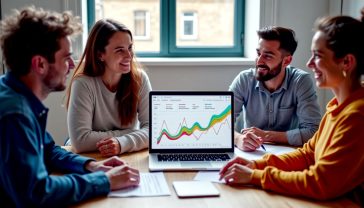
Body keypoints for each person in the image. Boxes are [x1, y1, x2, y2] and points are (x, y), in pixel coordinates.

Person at [220, 10, 364, 205]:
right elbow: (307, 155)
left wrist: (255, 175)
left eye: (318, 56)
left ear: (346, 62)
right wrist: (255, 164)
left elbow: (320, 182)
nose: (309, 63)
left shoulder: (357, 114)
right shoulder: (336, 107)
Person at [0, 7, 140, 207]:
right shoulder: (14, 114)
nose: (72, 65)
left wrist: (91, 166)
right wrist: (105, 181)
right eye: (66, 58)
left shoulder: (14, 94)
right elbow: (36, 192)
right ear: (40, 64)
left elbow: (48, 150)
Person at [66, 19, 152, 157]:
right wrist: (133, 133)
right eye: (119, 50)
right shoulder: (83, 83)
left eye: (130, 48)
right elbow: (80, 141)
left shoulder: (140, 79)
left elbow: (153, 131)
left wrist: (121, 143)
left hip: (125, 152)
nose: (128, 56)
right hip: (89, 155)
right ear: (100, 55)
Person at [230, 26, 321, 152]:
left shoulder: (301, 81)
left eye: (267, 56)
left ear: (286, 61)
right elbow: (221, 126)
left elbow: (314, 132)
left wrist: (267, 135)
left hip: (290, 154)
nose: (259, 61)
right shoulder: (244, 80)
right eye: (258, 53)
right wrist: (238, 139)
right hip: (252, 153)